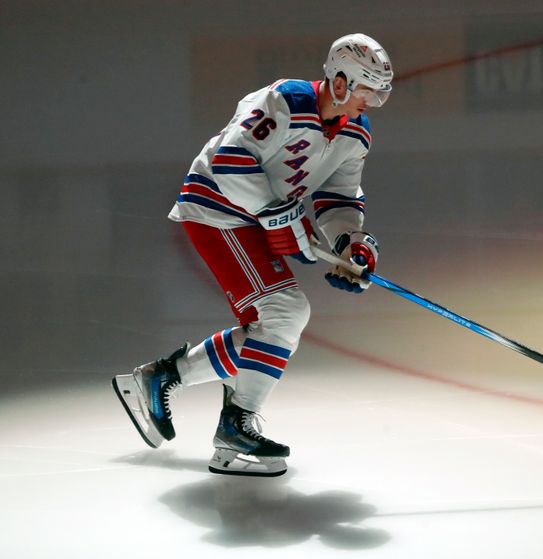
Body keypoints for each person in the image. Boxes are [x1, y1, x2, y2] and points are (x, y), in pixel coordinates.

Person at [112, 33, 392, 477]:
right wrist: (282, 217)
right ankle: (234, 428)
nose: (372, 102)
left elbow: (339, 197)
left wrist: (348, 243)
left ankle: (163, 378)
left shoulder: (356, 132)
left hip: (257, 218)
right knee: (285, 312)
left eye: (381, 94)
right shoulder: (284, 100)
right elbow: (229, 160)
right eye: (367, 91)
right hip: (218, 209)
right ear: (339, 82)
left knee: (274, 324)